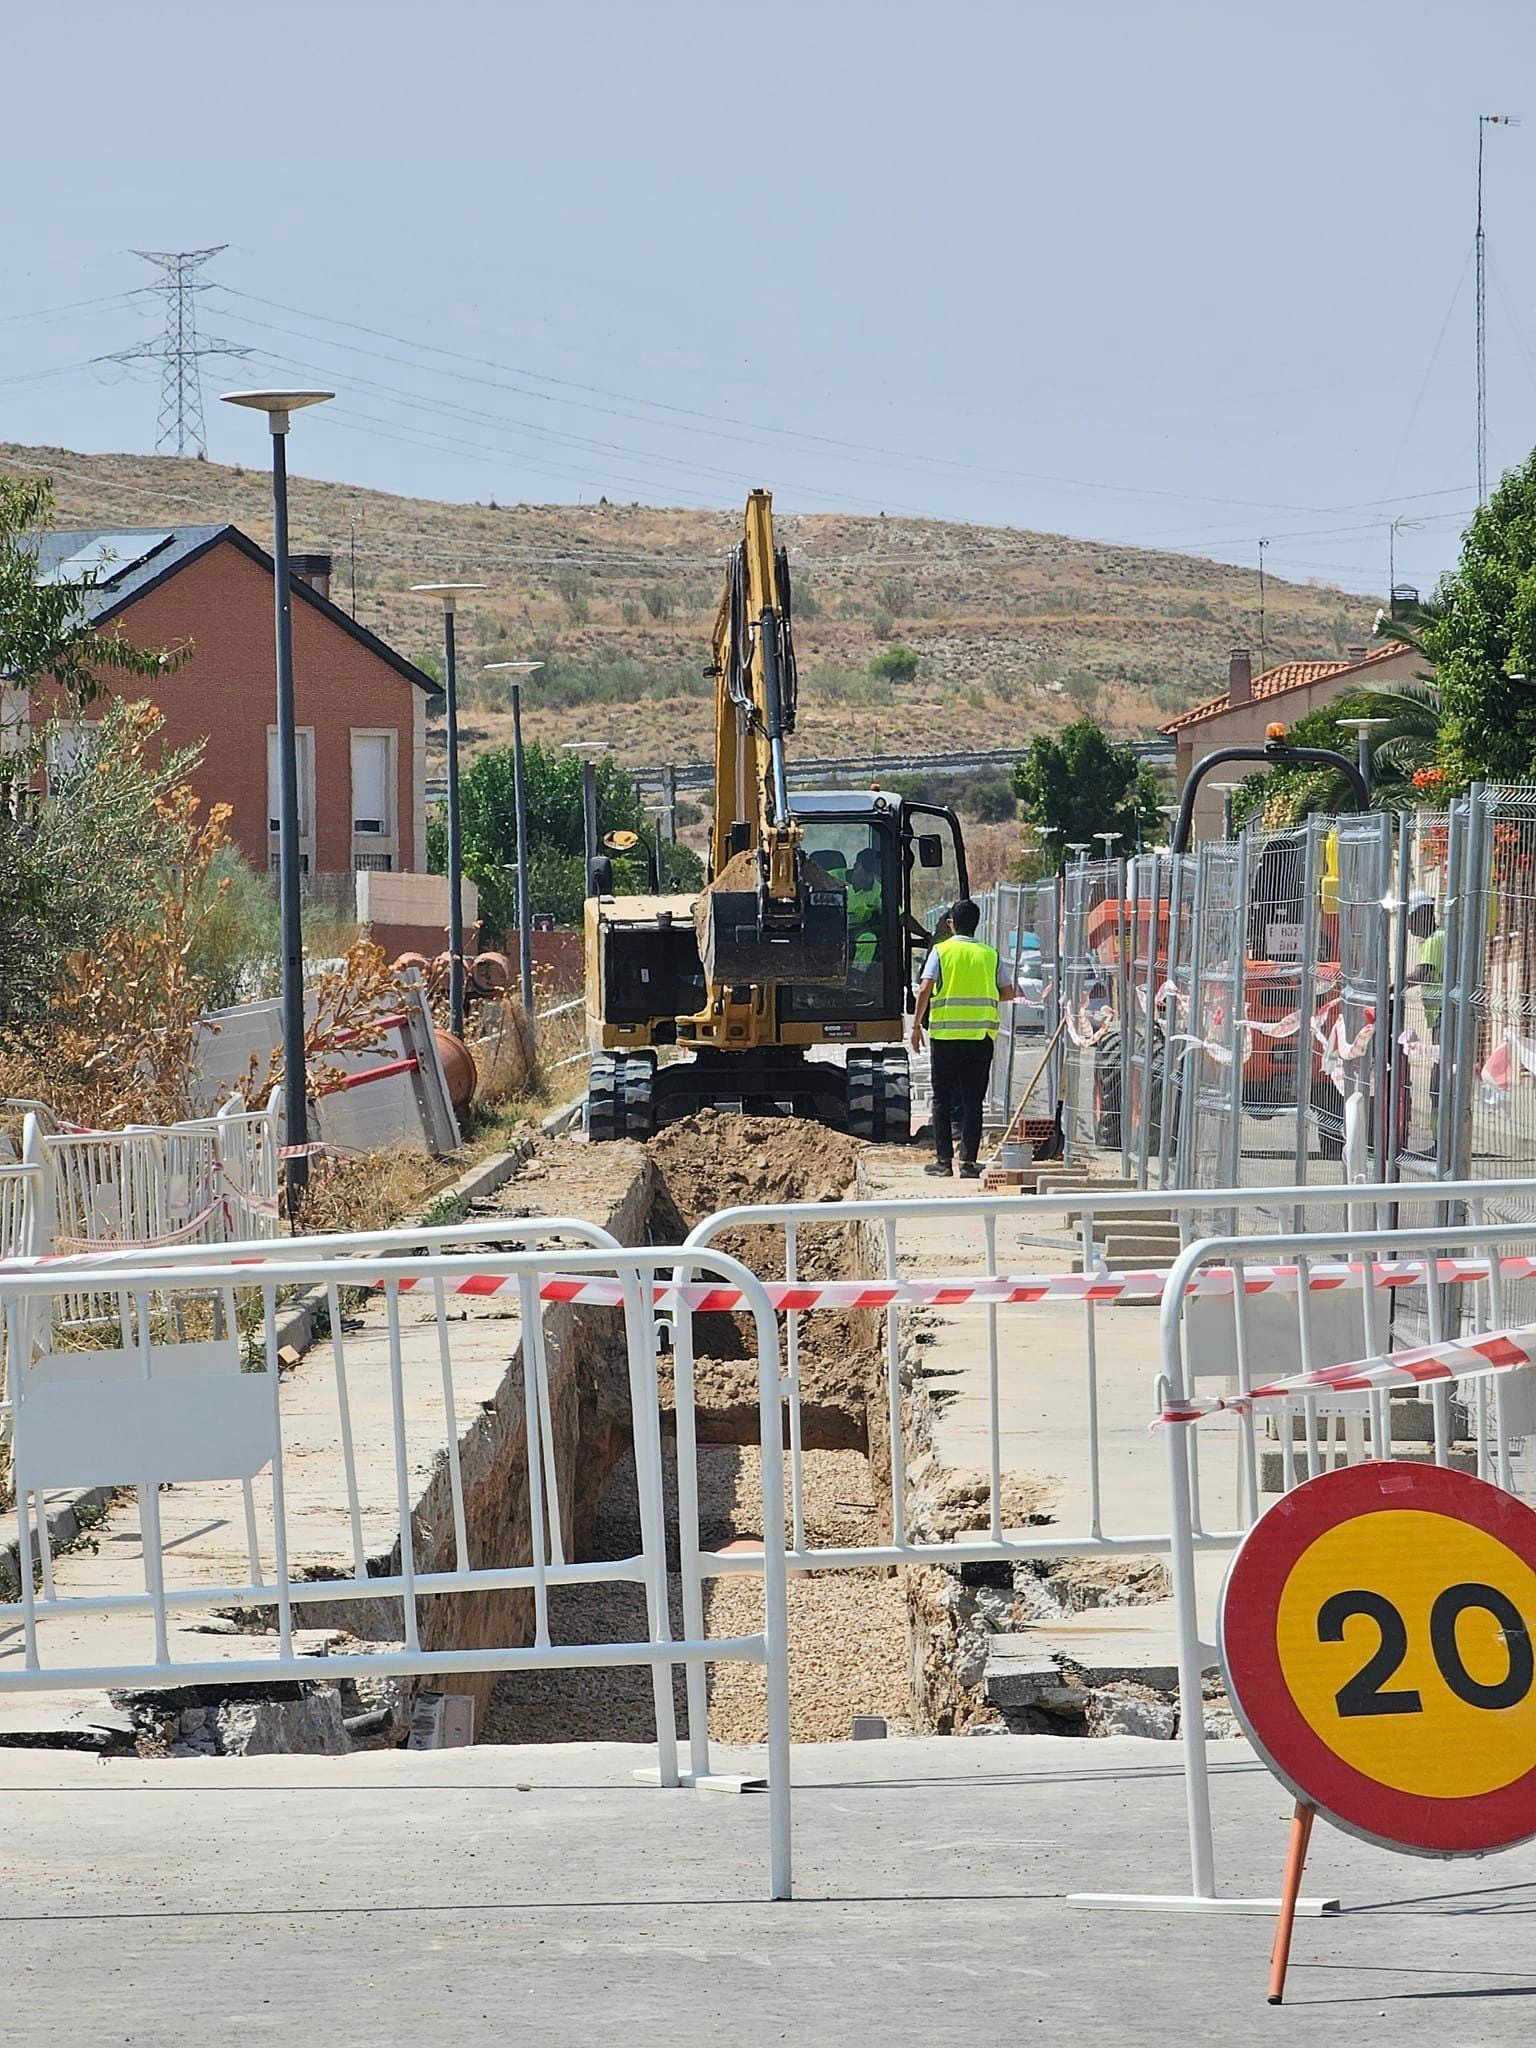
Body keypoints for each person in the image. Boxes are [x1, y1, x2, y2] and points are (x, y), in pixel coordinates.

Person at [910, 898, 1015, 1177]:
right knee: (973, 1101)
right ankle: (968, 1163)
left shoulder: (941, 951)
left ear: (951, 924)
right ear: (976, 924)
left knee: (942, 1100)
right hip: (980, 1038)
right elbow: (1008, 992)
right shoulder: (989, 954)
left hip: (945, 1037)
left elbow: (925, 988)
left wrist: (916, 1025)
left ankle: (943, 1162)